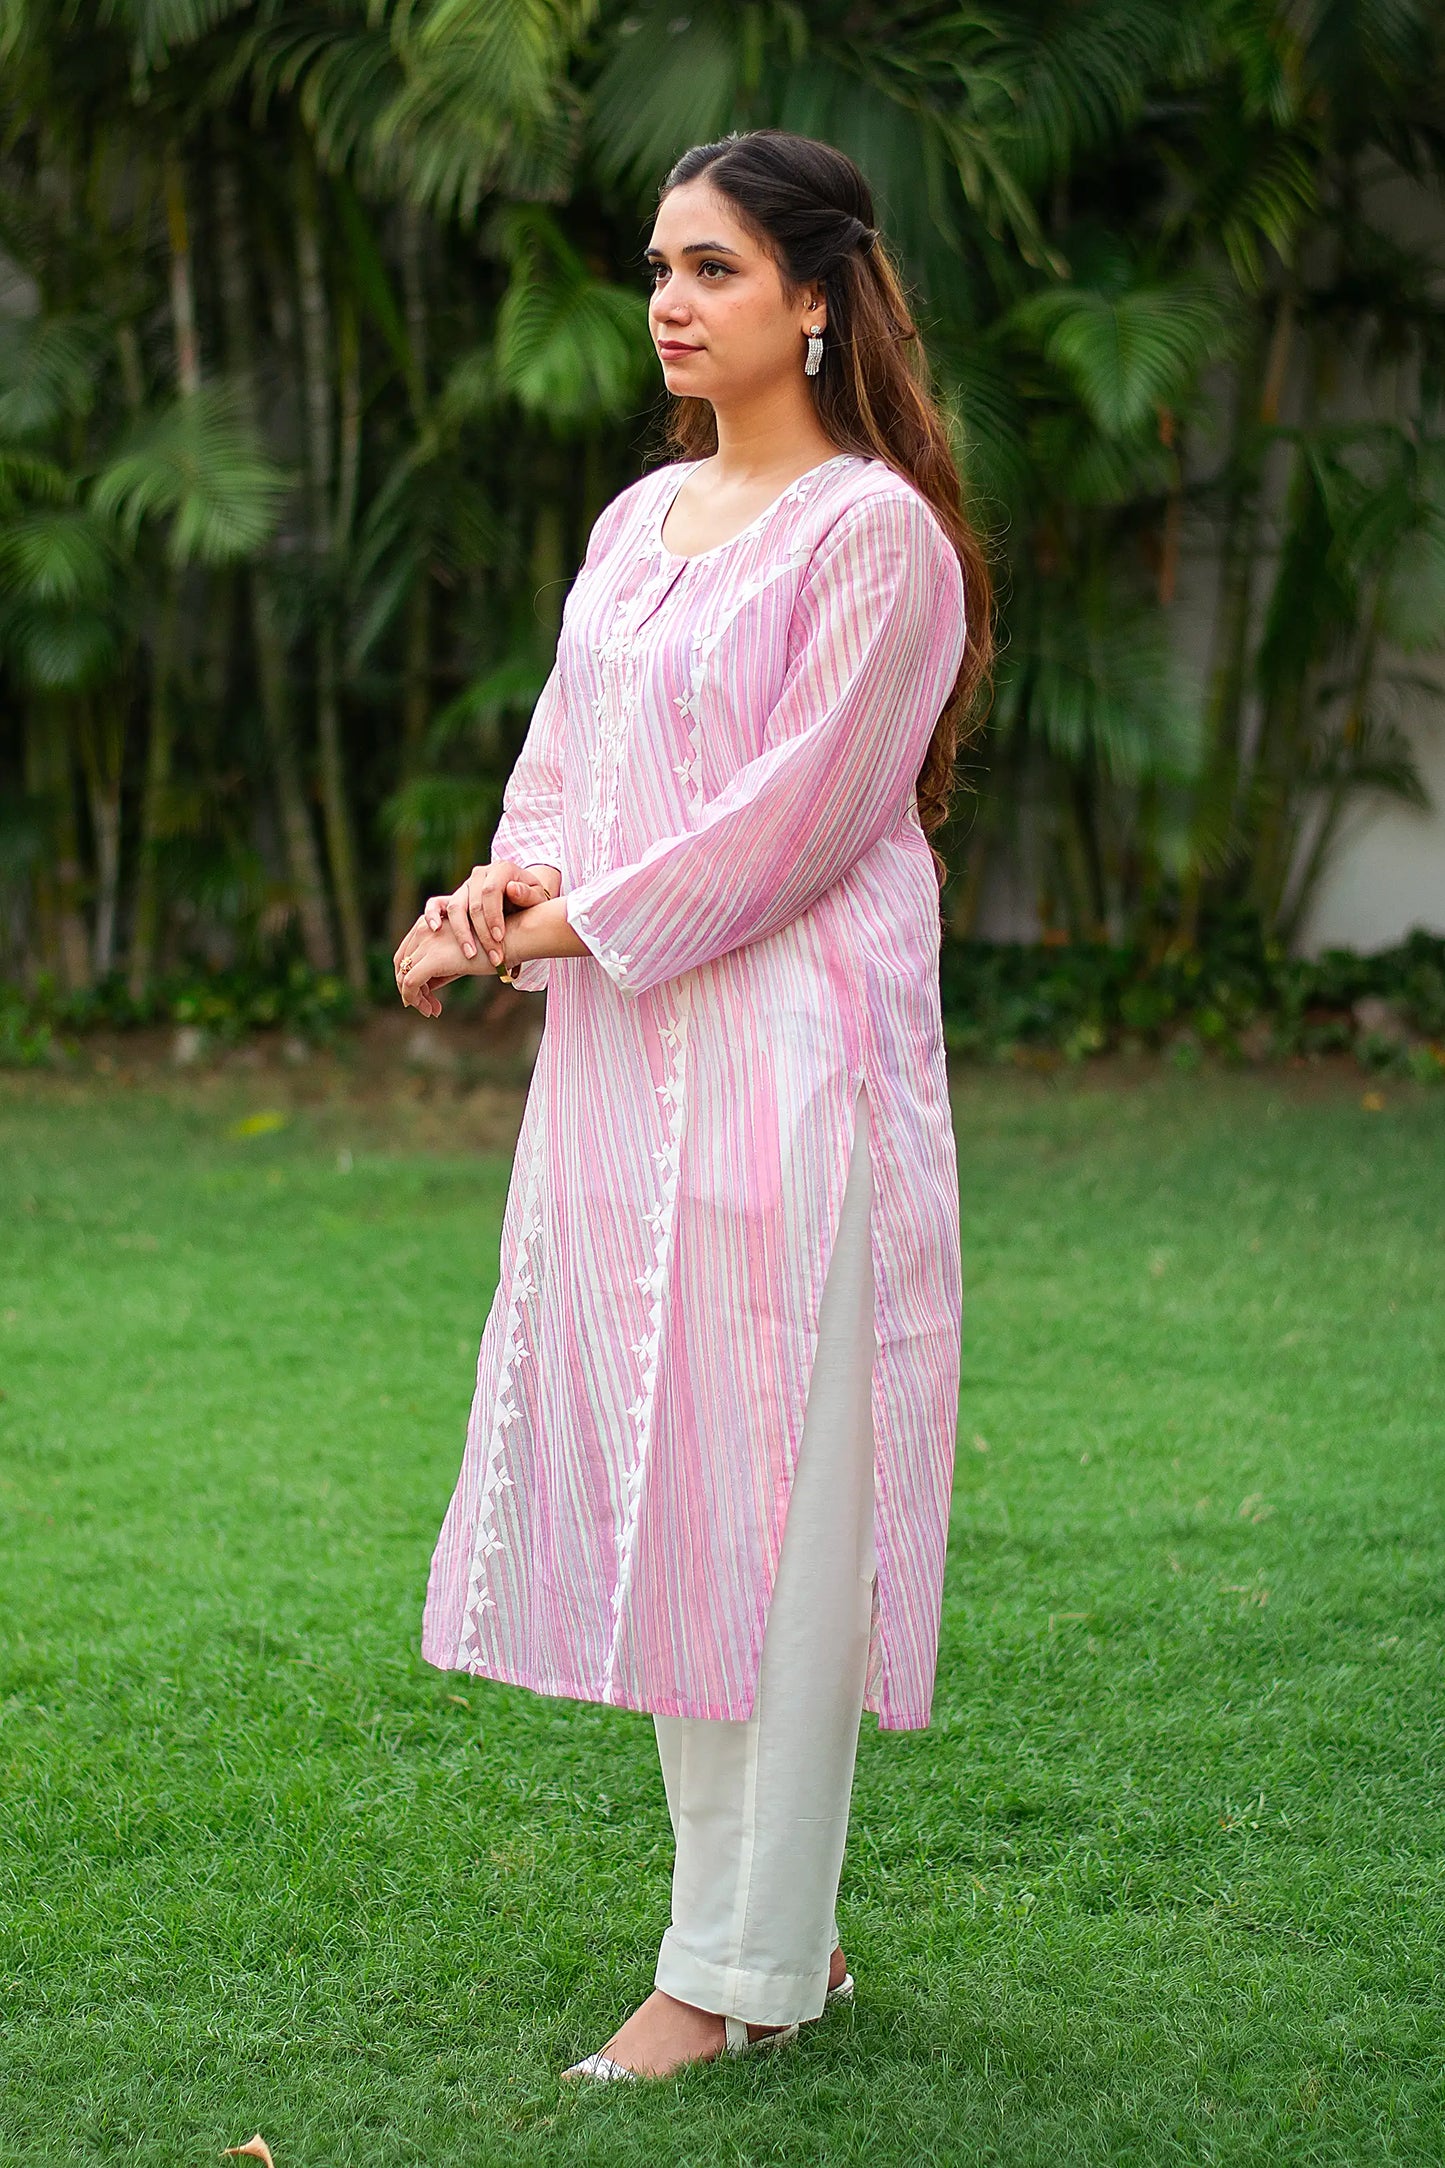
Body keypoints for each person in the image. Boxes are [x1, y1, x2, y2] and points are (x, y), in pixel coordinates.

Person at [391, 126, 993, 2081]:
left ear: (818, 297)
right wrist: (493, 894)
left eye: (715, 267)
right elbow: (572, 763)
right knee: (676, 1502)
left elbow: (793, 827)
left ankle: (729, 1973)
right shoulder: (637, 523)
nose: (669, 298)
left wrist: (554, 925)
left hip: (794, 1074)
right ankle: (772, 1947)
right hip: (627, 1072)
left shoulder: (874, 538)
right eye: (660, 264)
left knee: (785, 1528)